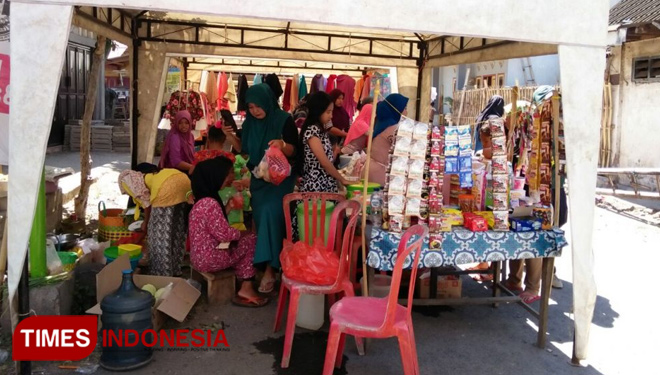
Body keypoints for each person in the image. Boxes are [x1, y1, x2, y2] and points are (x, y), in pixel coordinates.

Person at [222, 83, 298, 294]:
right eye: (251, 107)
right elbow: (244, 151)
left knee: (269, 216)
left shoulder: (283, 119)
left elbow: (295, 149)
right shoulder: (249, 124)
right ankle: (266, 265)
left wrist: (282, 145)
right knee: (263, 220)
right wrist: (230, 137)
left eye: (258, 106)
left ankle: (270, 270)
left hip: (280, 182)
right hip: (258, 180)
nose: (255, 111)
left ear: (267, 101)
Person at [189, 157, 268, 307]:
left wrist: (229, 209)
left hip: (198, 257)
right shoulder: (210, 203)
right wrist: (241, 234)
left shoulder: (200, 202)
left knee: (242, 241)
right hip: (211, 259)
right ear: (215, 176)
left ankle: (242, 277)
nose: (231, 178)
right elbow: (224, 234)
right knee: (251, 240)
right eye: (228, 174)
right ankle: (246, 288)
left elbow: (212, 228)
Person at [118, 164, 191, 276]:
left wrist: (146, 224)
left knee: (158, 235)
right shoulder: (148, 177)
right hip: (183, 179)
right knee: (176, 228)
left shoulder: (126, 179)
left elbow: (146, 204)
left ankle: (161, 273)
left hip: (167, 187)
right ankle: (175, 269)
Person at [299, 92, 352, 192]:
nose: (331, 116)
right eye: (328, 112)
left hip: (325, 184)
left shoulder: (320, 130)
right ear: (318, 111)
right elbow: (324, 162)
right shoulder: (312, 130)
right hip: (316, 186)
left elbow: (327, 159)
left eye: (331, 112)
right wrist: (342, 179)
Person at [368, 93, 409, 185]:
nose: (407, 112)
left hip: (373, 170)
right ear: (397, 109)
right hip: (380, 174)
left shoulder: (382, 123)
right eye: (405, 108)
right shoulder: (393, 128)